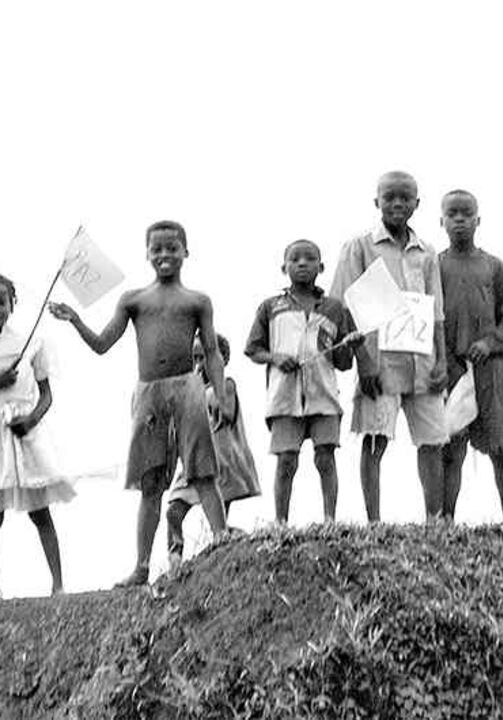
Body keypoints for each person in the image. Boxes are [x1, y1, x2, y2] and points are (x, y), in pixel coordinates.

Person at [49, 220, 229, 586]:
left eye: (172, 248)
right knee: (150, 482)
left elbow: (211, 351)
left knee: (202, 471)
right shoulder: (133, 300)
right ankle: (142, 566)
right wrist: (75, 320)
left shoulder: (197, 301)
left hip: (188, 389)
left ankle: (223, 547)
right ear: (147, 254)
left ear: (185, 252)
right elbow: (102, 344)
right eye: (157, 249)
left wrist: (220, 396)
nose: (165, 255)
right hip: (149, 393)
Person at [329, 171, 448, 522]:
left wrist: (440, 359)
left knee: (432, 440)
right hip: (379, 358)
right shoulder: (360, 246)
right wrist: (363, 362)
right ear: (376, 201)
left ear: (416, 203)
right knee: (375, 437)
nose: (397, 203)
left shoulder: (426, 252)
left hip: (422, 358)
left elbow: (436, 309)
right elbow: (344, 306)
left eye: (405, 197)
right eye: (390, 197)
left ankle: (434, 519)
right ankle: (374, 521)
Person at [245, 239, 361, 524]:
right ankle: (280, 521)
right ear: (283, 267)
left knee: (325, 457)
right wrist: (275, 357)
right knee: (286, 461)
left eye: (309, 259)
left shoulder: (335, 309)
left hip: (324, 395)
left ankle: (330, 520)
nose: (301, 263)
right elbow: (253, 350)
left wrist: (352, 344)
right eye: (295, 259)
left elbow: (343, 363)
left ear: (321, 267)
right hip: (284, 397)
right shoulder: (270, 307)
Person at [437, 189, 503, 523]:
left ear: (478, 220)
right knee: (450, 447)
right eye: (452, 214)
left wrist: (491, 343)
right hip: (451, 367)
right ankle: (445, 519)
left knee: (502, 448)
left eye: (466, 214)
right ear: (441, 220)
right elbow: (423, 317)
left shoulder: (495, 266)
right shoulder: (434, 265)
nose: (459, 220)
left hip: (492, 367)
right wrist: (442, 360)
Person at [0, 274, 71, 596]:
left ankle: (57, 584)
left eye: (1, 302)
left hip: (25, 432)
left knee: (39, 510)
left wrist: (31, 419)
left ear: (12, 304)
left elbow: (46, 395)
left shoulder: (30, 341)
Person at [166, 334, 261, 565]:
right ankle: (175, 558)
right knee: (173, 511)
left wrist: (206, 393)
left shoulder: (226, 386)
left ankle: (235, 544)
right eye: (194, 359)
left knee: (217, 525)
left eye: (204, 358)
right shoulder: (185, 393)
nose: (199, 365)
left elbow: (226, 413)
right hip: (193, 462)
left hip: (221, 463)